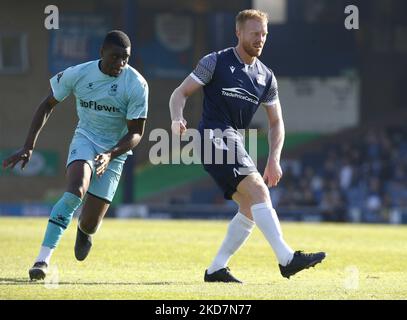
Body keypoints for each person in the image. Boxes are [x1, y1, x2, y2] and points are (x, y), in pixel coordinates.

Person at [169, 9, 326, 283]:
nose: (260, 39)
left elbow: (277, 123)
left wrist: (274, 159)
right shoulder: (215, 62)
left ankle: (216, 268)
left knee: (250, 208)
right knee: (259, 191)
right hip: (212, 136)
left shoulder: (266, 77)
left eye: (264, 34)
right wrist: (176, 118)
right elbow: (179, 93)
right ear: (238, 32)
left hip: (233, 140)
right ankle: (287, 259)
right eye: (255, 33)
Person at [2, 30, 149, 281]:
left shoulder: (136, 84)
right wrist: (28, 145)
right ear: (101, 52)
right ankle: (42, 260)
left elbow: (136, 134)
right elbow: (47, 104)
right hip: (85, 140)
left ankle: (85, 230)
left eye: (125, 58)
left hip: (115, 151)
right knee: (75, 191)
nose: (120, 64)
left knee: (90, 222)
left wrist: (111, 155)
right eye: (115, 57)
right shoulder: (79, 74)